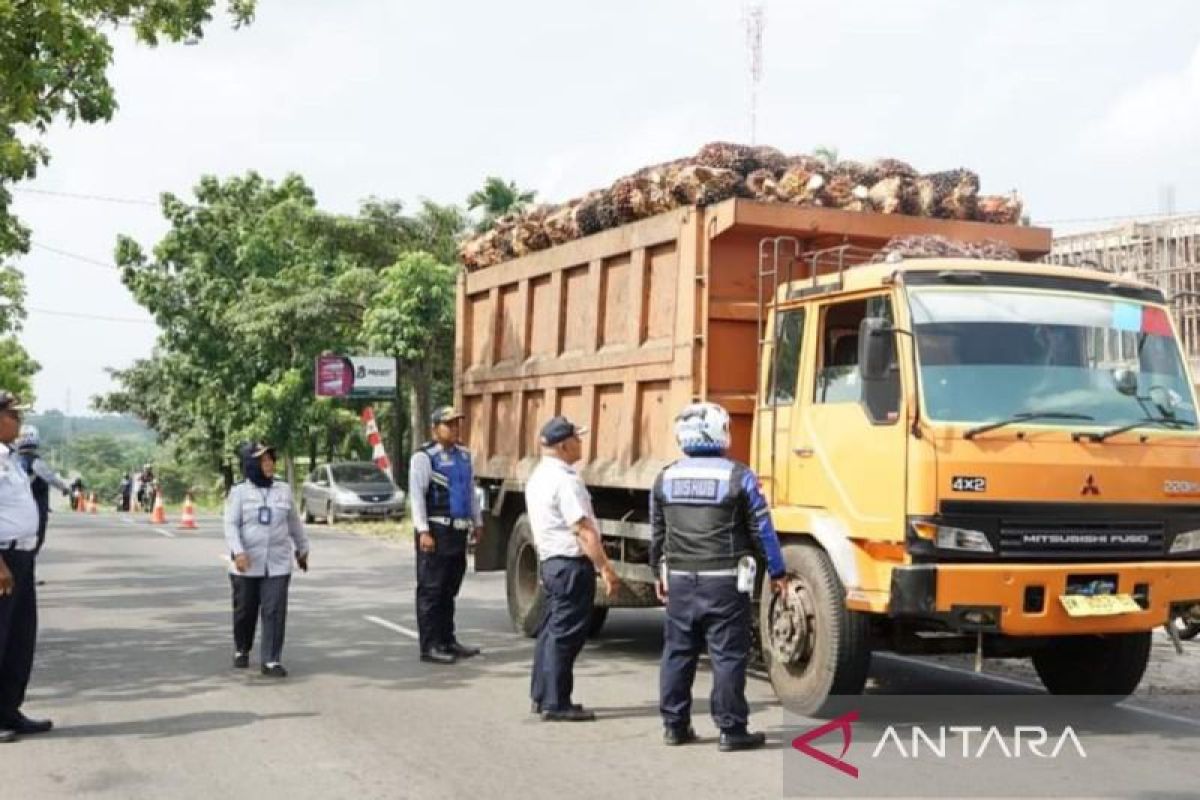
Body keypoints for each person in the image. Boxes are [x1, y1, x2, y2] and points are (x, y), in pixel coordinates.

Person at [649, 401, 788, 752]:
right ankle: (731, 729)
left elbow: (658, 534)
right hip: (724, 582)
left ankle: (674, 726)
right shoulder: (739, 476)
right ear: (720, 432)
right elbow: (762, 530)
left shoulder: (665, 477)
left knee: (678, 653)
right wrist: (778, 571)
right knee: (727, 656)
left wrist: (658, 573)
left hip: (680, 580)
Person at [525, 416, 619, 722]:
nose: (581, 443)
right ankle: (556, 701)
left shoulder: (538, 476)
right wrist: (604, 567)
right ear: (564, 445)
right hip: (570, 565)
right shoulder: (565, 481)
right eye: (576, 438)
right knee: (566, 635)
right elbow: (582, 529)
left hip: (552, 563)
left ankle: (543, 695)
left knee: (551, 630)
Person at [223, 442, 310, 677]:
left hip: (278, 562)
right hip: (246, 563)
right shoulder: (239, 491)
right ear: (252, 465)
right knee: (245, 611)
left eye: (271, 459)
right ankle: (242, 647)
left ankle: (271, 659)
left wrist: (302, 549)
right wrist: (238, 552)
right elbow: (230, 525)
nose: (269, 464)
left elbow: (293, 522)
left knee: (274, 610)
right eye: (263, 460)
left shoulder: (283, 489)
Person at [408, 407, 483, 665]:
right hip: (436, 529)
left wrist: (478, 521)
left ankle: (448, 639)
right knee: (431, 589)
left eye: (457, 424)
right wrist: (423, 531)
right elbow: (417, 497)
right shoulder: (424, 457)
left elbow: (470, 491)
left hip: (458, 530)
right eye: (448, 424)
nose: (454, 429)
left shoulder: (463, 455)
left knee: (449, 588)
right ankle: (430, 646)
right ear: (435, 428)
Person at [0, 392, 53, 743]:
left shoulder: (10, 459)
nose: (17, 420)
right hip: (2, 560)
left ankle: (8, 711)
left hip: (22, 558)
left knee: (20, 639)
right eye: (11, 413)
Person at [14, 426, 70, 555]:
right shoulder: (36, 462)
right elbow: (50, 477)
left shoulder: (13, 460)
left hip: (17, 506)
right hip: (36, 505)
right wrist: (64, 488)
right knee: (37, 537)